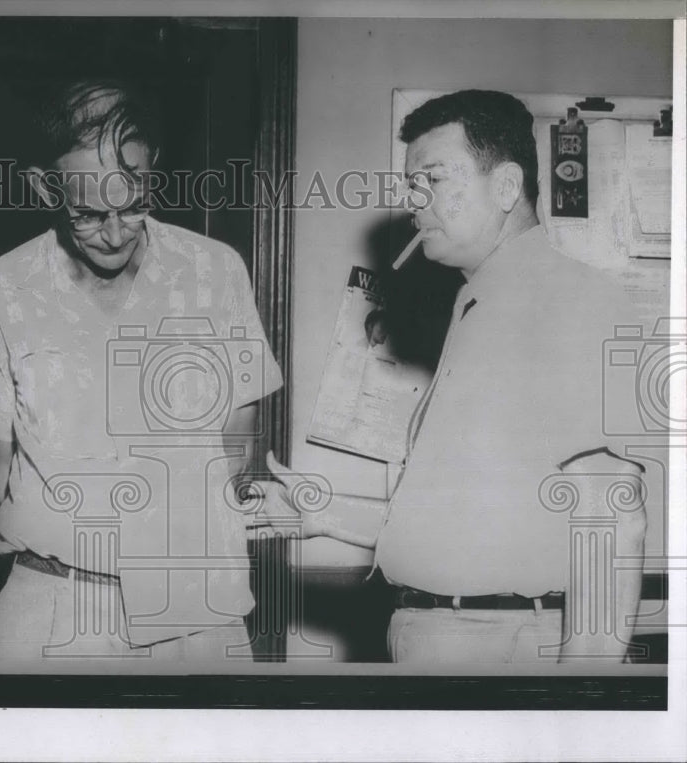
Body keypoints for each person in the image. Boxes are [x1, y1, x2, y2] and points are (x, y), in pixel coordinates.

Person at [260, 89, 647, 664]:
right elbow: (465, 520)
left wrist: (579, 692)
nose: (413, 201)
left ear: (507, 186)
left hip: (494, 640)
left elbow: (612, 511)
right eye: (410, 184)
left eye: (432, 180)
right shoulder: (485, 301)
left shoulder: (563, 298)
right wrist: (324, 513)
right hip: (459, 632)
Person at [0, 79, 283, 663]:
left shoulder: (216, 273)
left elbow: (236, 437)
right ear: (44, 188)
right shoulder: (1, 291)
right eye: (89, 213)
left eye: (135, 203)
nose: (116, 230)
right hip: (53, 606)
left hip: (197, 610)